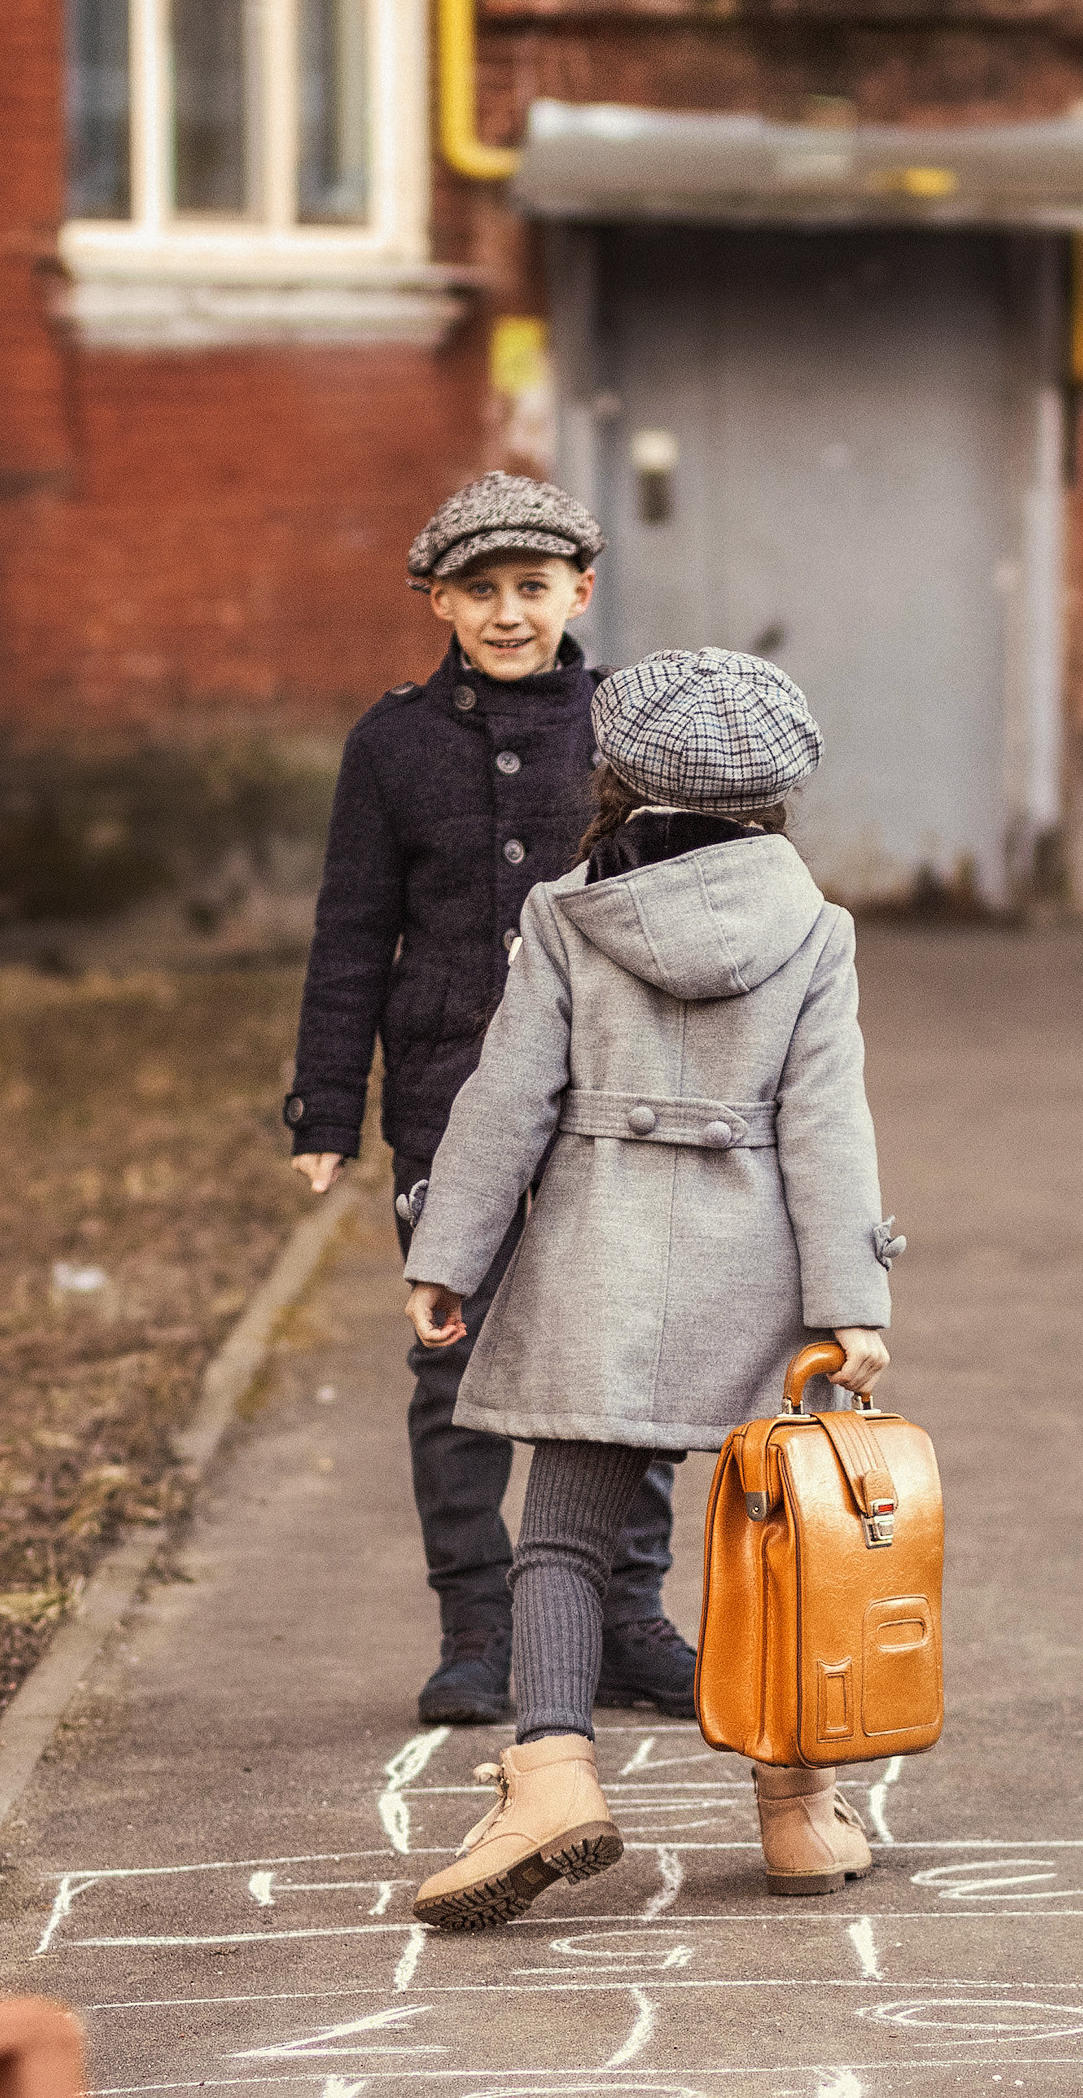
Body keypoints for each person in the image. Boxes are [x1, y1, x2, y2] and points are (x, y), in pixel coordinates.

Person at [399, 645, 901, 1930]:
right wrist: (851, 1301)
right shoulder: (813, 929)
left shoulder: (567, 914)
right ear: (775, 789)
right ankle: (796, 1810)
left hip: (596, 1265)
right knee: (788, 1549)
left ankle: (551, 1781)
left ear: (610, 772)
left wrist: (447, 1255)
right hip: (759, 1282)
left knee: (560, 1540)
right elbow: (826, 1122)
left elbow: (506, 1097)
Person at [283, 474, 699, 1728]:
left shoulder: (627, 731)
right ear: (438, 600)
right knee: (451, 1362)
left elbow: (674, 911)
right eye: (479, 589)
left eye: (531, 586)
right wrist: (323, 1107)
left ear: (580, 590)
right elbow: (352, 930)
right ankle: (477, 1624)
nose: (507, 612)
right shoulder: (392, 742)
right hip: (447, 1100)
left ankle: (625, 1615)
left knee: (620, 1356)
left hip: (607, 1097)